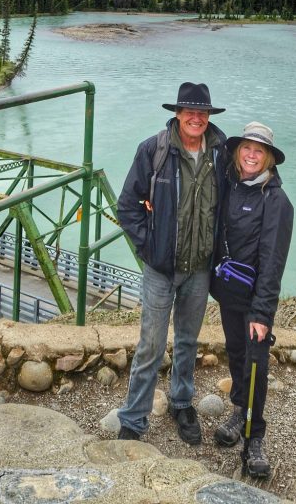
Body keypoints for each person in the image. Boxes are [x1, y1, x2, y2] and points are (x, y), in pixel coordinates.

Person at [116, 81, 227, 443]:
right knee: (150, 344)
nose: (196, 118)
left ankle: (181, 402)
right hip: (161, 269)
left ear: (209, 117)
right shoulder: (154, 150)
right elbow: (127, 205)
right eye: (189, 111)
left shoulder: (220, 154)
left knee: (187, 341)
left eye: (202, 112)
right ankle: (133, 420)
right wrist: (148, 249)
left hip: (199, 268)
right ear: (177, 114)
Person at [211, 121, 293, 478]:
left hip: (255, 302)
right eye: (246, 147)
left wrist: (262, 312)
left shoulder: (276, 201)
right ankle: (238, 409)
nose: (251, 154)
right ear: (236, 151)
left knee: (256, 365)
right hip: (230, 292)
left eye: (259, 150)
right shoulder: (230, 185)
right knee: (237, 354)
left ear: (270, 159)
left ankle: (254, 437)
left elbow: (273, 260)